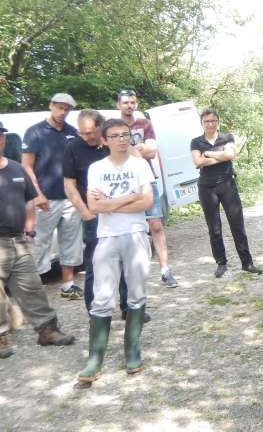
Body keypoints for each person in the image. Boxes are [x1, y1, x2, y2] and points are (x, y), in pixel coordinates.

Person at [77, 118, 154, 385]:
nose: (122, 139)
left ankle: (132, 350)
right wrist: (129, 197)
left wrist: (111, 202)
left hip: (135, 234)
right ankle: (95, 359)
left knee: (136, 294)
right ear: (105, 140)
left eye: (125, 135)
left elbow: (147, 201)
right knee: (102, 296)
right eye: (115, 135)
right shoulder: (96, 168)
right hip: (107, 237)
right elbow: (94, 207)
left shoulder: (140, 164)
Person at [63, 110, 148, 322]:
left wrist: (117, 202)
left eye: (90, 133)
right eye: (82, 133)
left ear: (101, 130)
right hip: (94, 215)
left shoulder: (116, 142)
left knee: (128, 262)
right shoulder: (73, 147)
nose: (86, 137)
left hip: (125, 215)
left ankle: (129, 307)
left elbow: (139, 169)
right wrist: (84, 211)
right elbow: (69, 183)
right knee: (95, 265)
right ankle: (95, 312)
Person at [0, 121, 76, 359]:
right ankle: (1, 338)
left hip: (18, 241)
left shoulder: (15, 168)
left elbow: (29, 199)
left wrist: (30, 227)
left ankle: (48, 331)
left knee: (32, 288)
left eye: (1, 135)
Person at [21, 92, 84, 299]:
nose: (62, 112)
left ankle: (68, 285)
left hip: (70, 198)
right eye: (59, 107)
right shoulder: (35, 132)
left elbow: (78, 165)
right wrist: (37, 194)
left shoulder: (73, 133)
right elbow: (27, 167)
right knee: (40, 243)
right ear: (51, 105)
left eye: (67, 109)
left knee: (71, 242)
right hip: (45, 198)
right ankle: (34, 290)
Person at [116, 89, 177, 288]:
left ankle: (165, 270)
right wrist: (139, 148)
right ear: (119, 104)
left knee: (156, 225)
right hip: (123, 183)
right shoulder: (113, 126)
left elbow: (152, 151)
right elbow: (116, 153)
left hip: (147, 180)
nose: (129, 106)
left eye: (132, 102)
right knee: (131, 229)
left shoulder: (145, 124)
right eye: (125, 102)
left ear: (136, 104)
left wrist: (131, 150)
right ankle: (133, 276)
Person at [191, 108, 261, 278]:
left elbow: (231, 154)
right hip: (207, 188)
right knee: (214, 227)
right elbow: (197, 162)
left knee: (237, 224)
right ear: (202, 123)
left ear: (218, 122)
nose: (210, 124)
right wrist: (220, 156)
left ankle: (247, 262)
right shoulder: (196, 141)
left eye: (213, 121)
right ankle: (221, 263)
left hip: (227, 184)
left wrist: (208, 154)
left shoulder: (227, 137)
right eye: (206, 121)